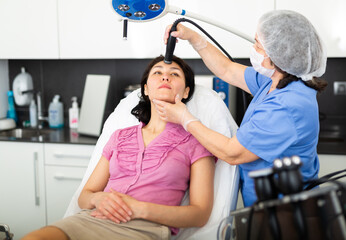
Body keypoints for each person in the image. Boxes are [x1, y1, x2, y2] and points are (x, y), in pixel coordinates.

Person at [22, 55, 215, 240]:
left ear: (187, 92)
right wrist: (98, 200)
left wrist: (139, 208)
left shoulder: (196, 141)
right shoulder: (120, 137)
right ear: (146, 89)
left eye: (174, 74)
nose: (165, 76)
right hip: (92, 219)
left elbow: (200, 214)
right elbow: (85, 196)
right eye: (157, 72)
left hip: (143, 228)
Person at [154, 10, 327, 207]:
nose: (253, 48)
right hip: (267, 205)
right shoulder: (274, 80)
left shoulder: (288, 105)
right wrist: (193, 38)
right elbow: (226, 69)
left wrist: (185, 118)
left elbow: (232, 152)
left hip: (289, 211)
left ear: (278, 56)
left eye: (258, 45)